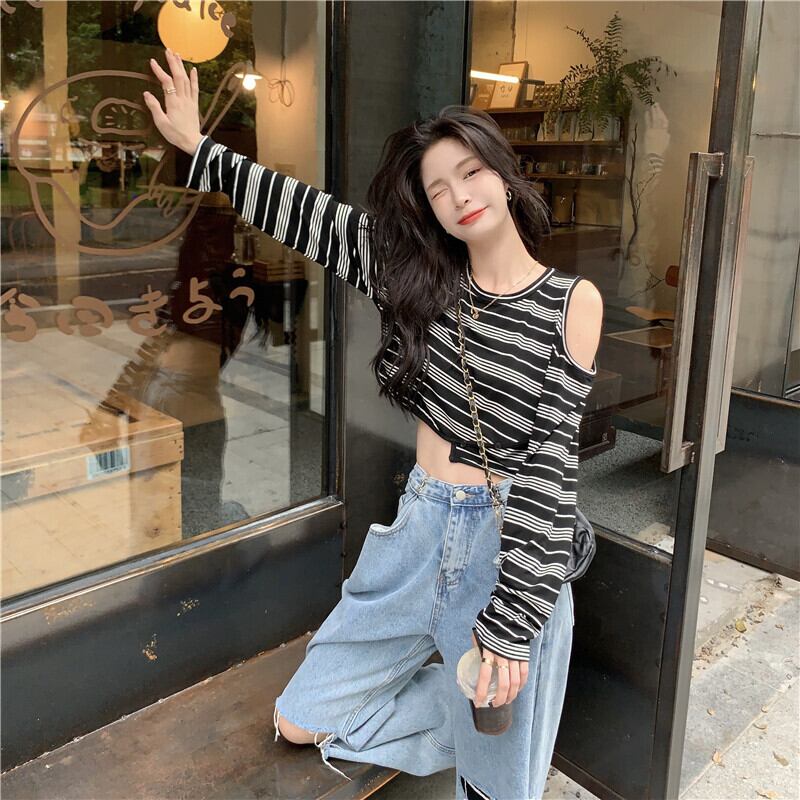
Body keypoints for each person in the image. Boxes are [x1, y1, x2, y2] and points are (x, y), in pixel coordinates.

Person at [143, 47, 602, 800]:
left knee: (496, 786)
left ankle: (499, 709)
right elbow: (306, 214)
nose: (459, 197)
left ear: (504, 172)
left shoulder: (570, 303)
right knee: (300, 720)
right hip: (420, 528)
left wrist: (512, 624)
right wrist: (200, 147)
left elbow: (549, 468)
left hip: (506, 545)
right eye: (438, 189)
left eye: (471, 173)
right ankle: (470, 704)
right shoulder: (415, 274)